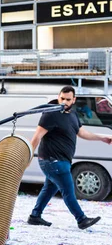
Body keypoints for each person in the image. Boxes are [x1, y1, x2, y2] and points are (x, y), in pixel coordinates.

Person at [28, 86, 112, 229]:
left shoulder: (72, 115)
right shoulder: (51, 114)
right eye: (62, 98)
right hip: (52, 160)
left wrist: (102, 137)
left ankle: (35, 216)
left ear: (74, 100)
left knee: (49, 188)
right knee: (68, 190)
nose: (64, 102)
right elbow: (37, 137)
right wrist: (27, 157)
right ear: (58, 96)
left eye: (68, 99)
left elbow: (82, 133)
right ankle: (81, 219)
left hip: (62, 160)